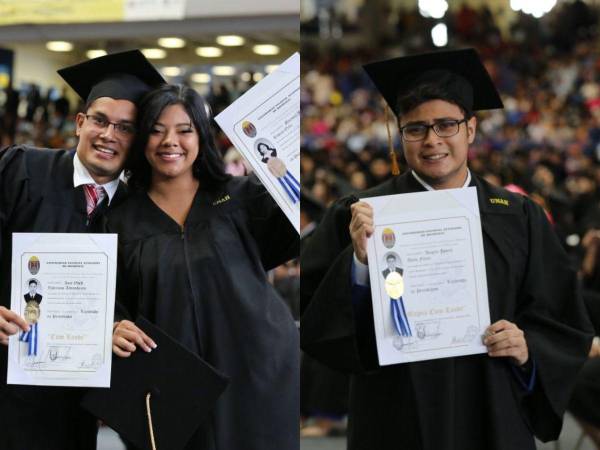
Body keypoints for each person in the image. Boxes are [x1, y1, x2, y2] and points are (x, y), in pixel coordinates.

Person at [301, 48, 594, 450]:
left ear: (470, 129)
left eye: (446, 125)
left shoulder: (517, 216)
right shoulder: (361, 214)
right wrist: (357, 264)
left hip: (490, 406)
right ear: (400, 133)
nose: (432, 140)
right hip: (395, 412)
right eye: (416, 128)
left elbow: (561, 317)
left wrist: (527, 347)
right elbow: (317, 321)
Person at [108, 84, 299, 450]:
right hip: (170, 382)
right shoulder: (119, 219)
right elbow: (110, 297)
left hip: (254, 369)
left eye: (184, 130)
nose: (170, 141)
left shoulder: (241, 197)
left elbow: (291, 235)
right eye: (157, 129)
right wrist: (113, 326)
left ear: (201, 136)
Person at [0, 49, 164, 450]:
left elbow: (133, 297)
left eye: (126, 128)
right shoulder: (23, 170)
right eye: (100, 121)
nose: (109, 135)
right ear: (80, 123)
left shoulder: (139, 213)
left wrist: (117, 327)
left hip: (75, 406)